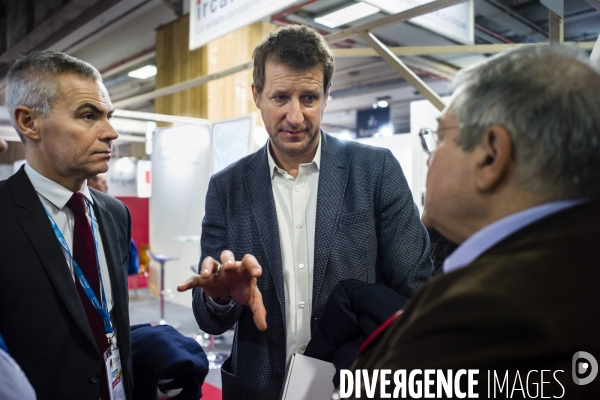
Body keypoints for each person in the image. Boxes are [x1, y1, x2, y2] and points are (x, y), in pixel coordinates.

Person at [177, 25, 433, 399]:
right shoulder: (227, 186)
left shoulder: (375, 170)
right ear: (257, 96)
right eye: (280, 97)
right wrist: (220, 296)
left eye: (309, 97)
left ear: (327, 96)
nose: (295, 116)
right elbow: (211, 317)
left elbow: (416, 290)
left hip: (354, 383)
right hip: (258, 386)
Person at [351, 44, 600, 397]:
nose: (429, 160)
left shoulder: (480, 315)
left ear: (491, 155)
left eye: (438, 137)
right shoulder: (577, 269)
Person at [0, 51, 133, 399]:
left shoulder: (116, 214)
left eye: (108, 116)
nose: (111, 132)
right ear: (29, 122)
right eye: (89, 116)